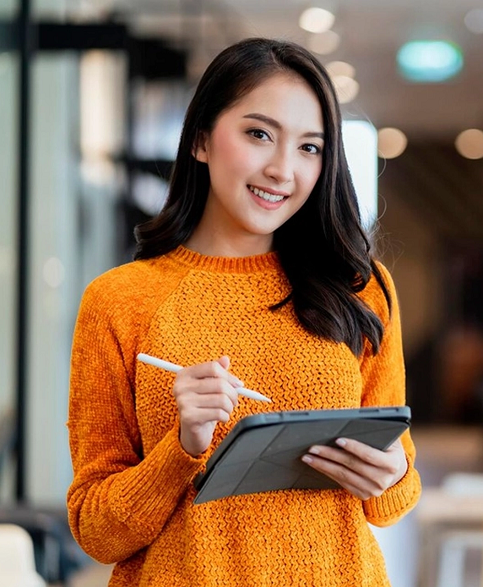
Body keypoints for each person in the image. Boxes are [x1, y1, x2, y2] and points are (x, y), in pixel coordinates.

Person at [67, 37, 421, 586]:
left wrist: (393, 474)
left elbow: (392, 500)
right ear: (202, 138)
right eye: (259, 134)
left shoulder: (360, 289)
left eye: (311, 147)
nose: (283, 169)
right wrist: (180, 449)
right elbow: (96, 531)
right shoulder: (121, 299)